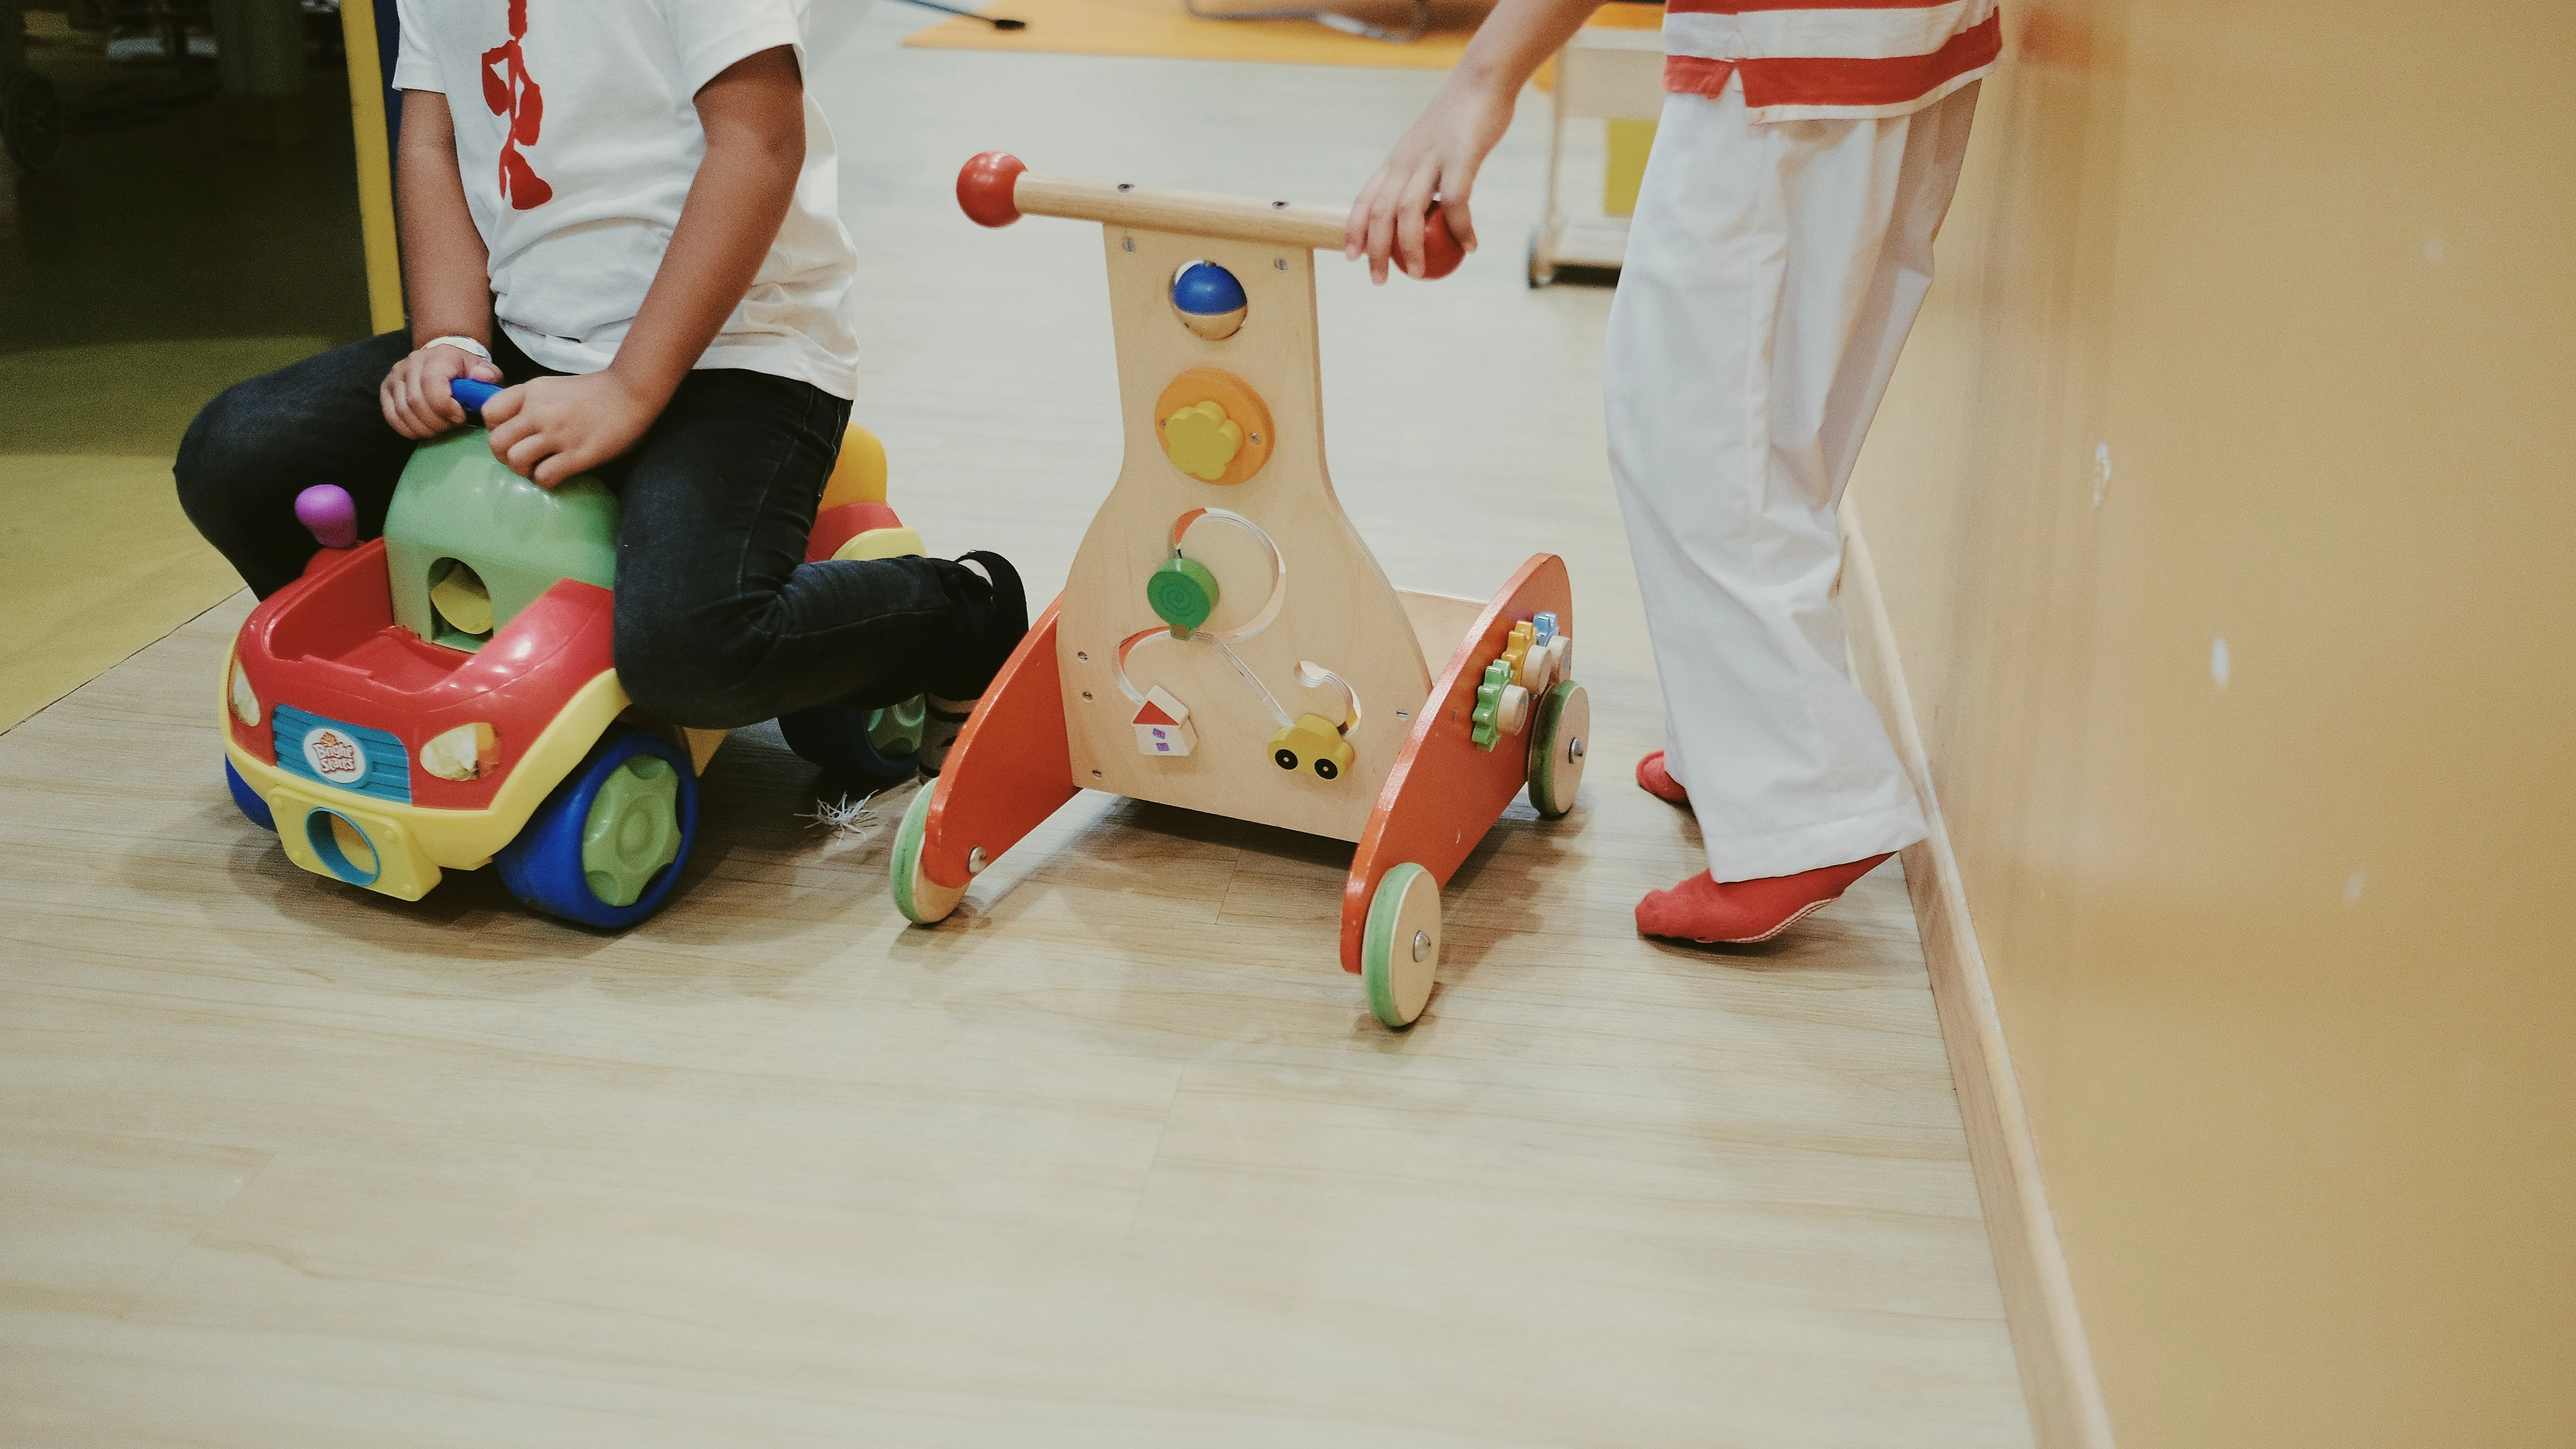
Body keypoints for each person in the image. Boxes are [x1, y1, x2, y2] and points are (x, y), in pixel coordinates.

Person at [176, 0, 1023, 770]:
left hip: (736, 352)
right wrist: (448, 338)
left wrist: (627, 388)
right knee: (236, 456)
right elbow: (432, 143)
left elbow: (760, 141)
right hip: (525, 337)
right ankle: (409, 677)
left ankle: (960, 612)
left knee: (691, 653)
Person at [1346, 0, 1998, 943]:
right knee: (1777, 427)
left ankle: (1801, 811)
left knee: (1690, 433)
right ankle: (1741, 752)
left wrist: (1481, 81)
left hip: (1789, 53)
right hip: (1896, 39)